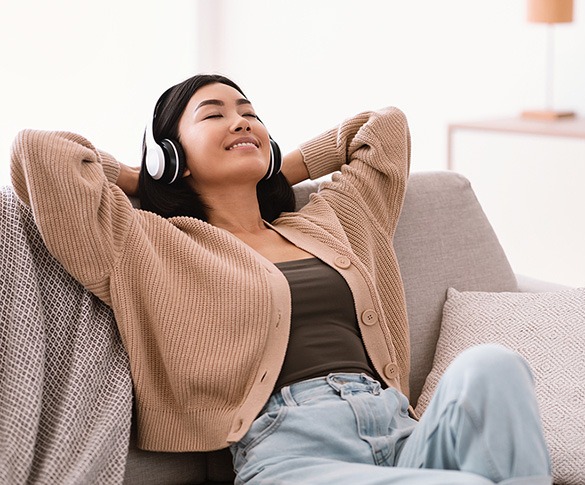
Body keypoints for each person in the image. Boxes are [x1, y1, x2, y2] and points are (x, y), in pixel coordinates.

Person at [11, 74, 552, 484]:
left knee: (494, 366)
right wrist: (143, 176)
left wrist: (281, 166)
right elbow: (40, 153)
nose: (241, 121)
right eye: (213, 114)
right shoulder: (152, 244)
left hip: (401, 433)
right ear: (171, 154)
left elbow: (382, 129)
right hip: (291, 453)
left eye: (249, 112)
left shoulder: (333, 220)